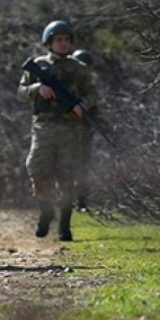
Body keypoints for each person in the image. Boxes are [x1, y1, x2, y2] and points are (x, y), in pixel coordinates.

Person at [17, 20, 98, 242]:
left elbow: (93, 92)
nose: (62, 44)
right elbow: (21, 92)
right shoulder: (38, 65)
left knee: (66, 176)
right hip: (43, 126)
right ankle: (45, 209)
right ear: (49, 42)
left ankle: (64, 225)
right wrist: (37, 89)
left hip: (70, 128)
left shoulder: (78, 68)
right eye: (58, 40)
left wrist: (83, 105)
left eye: (66, 40)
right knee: (37, 168)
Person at [70, 49, 97, 212]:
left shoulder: (89, 88)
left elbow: (95, 104)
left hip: (83, 131)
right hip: (65, 130)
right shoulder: (68, 85)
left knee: (82, 166)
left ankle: (81, 200)